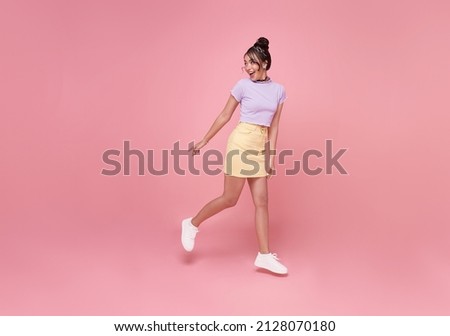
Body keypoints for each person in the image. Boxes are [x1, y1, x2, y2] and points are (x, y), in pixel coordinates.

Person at [181, 37, 288, 275]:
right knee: (230, 199)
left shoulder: (279, 91)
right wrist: (204, 140)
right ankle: (192, 223)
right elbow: (224, 115)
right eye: (245, 63)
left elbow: (275, 126)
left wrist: (271, 156)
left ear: (264, 62)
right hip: (241, 141)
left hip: (260, 144)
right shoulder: (242, 86)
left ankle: (264, 255)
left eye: (252, 62)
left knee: (262, 201)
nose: (248, 67)